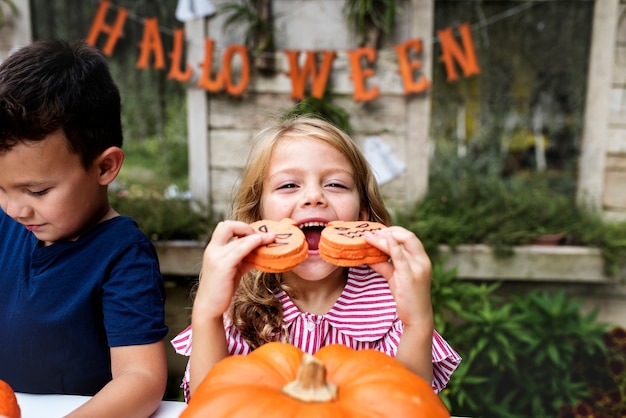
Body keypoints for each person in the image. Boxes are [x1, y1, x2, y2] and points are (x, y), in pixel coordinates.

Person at [171, 116, 461, 401]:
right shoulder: (237, 306)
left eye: (336, 184)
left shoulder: (391, 307)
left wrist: (417, 322)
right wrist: (207, 313)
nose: (314, 196)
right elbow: (210, 404)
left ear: (361, 217)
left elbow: (408, 405)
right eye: (288, 185)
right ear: (260, 218)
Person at [0, 39, 169, 417]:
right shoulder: (8, 220)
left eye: (37, 190)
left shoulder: (123, 255)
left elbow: (141, 377)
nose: (14, 208)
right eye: (0, 187)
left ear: (105, 167)